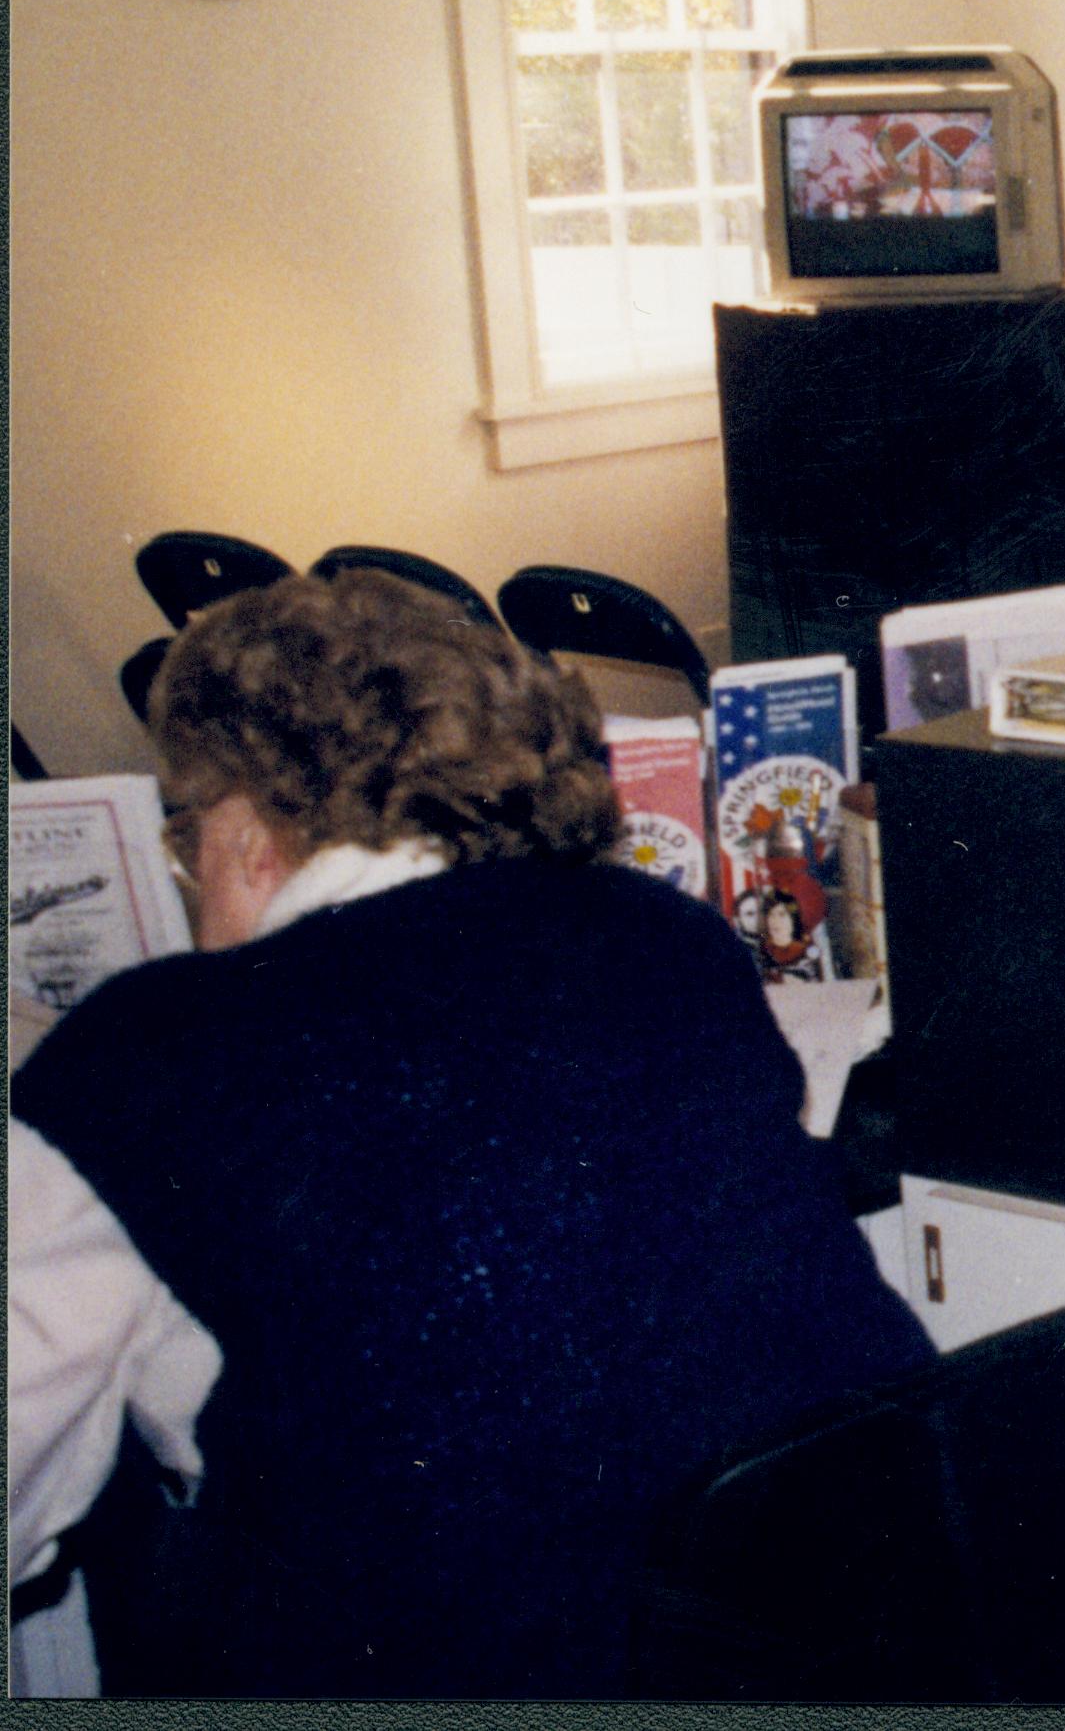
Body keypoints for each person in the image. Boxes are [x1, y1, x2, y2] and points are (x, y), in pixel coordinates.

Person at [8, 570, 933, 1697]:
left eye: (185, 839)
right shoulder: (665, 935)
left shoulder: (139, 1063)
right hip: (844, 1636)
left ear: (245, 824)